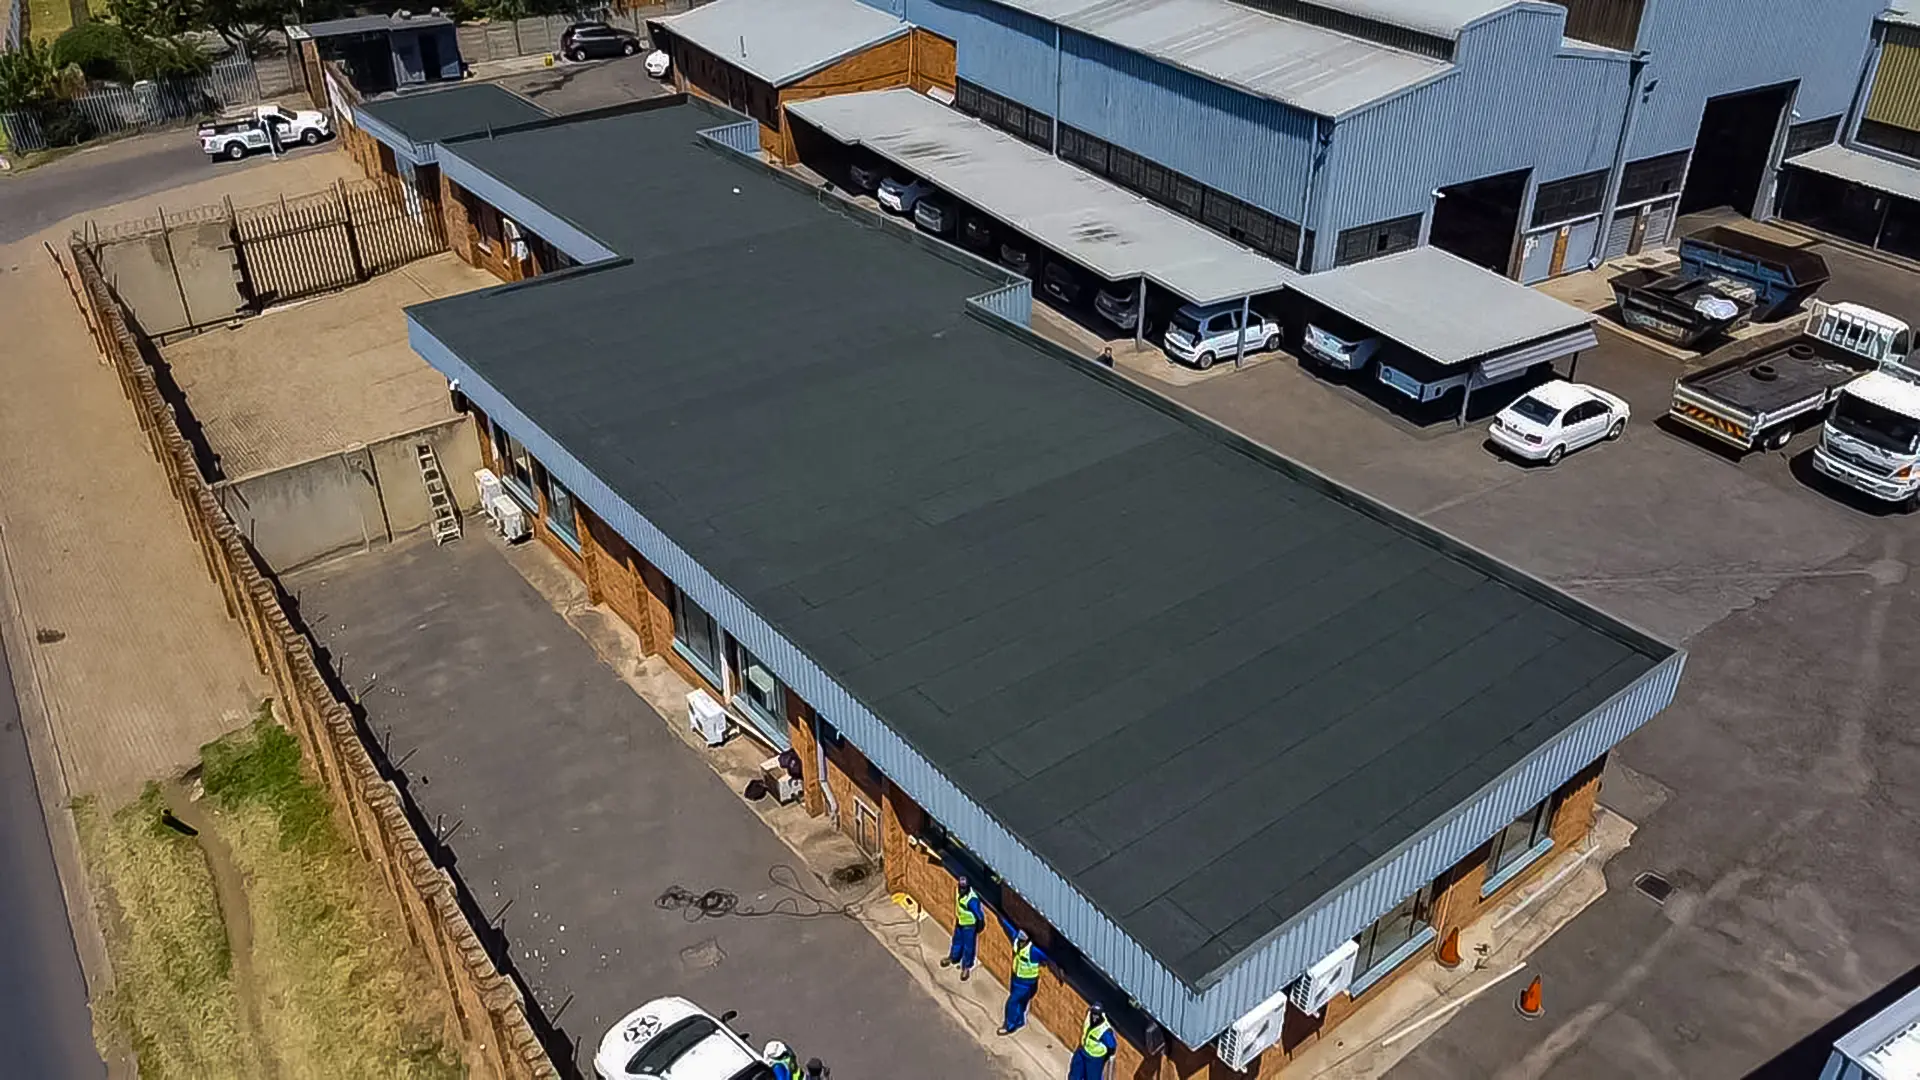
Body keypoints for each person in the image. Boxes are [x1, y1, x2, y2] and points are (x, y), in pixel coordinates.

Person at [995, 912, 1048, 1035]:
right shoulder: (1017, 941)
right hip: (1016, 977)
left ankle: (1010, 1025)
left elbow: (1046, 958)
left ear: (1027, 940)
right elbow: (1009, 928)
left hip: (1026, 982)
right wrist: (1001, 916)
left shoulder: (1033, 951)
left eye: (1022, 941)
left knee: (1012, 1002)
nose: (1020, 942)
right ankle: (1019, 1021)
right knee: (1019, 1001)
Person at [939, 876, 984, 980]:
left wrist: (978, 927)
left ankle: (966, 967)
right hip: (960, 922)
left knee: (968, 947)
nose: (962, 890)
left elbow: (979, 916)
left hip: (969, 926)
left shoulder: (971, 899)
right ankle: (953, 957)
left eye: (964, 888)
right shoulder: (958, 891)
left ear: (968, 887)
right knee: (956, 941)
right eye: (961, 887)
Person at [1066, 1004, 1115, 1080]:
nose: (1094, 1018)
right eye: (1093, 1014)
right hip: (1082, 1050)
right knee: (1075, 1073)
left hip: (1094, 1058)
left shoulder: (1105, 1030)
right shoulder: (1088, 1016)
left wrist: (1104, 1058)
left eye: (1097, 1015)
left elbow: (1112, 1046)